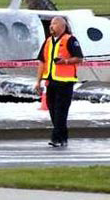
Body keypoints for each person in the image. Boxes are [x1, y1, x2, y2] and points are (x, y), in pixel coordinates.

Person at [34, 17, 83, 147]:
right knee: (53, 110)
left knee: (61, 110)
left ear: (62, 26)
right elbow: (42, 62)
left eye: (54, 24)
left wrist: (65, 61)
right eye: (50, 24)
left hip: (65, 82)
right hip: (51, 82)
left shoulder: (70, 40)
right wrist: (38, 81)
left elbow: (79, 58)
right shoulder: (48, 41)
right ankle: (63, 137)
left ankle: (56, 138)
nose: (51, 26)